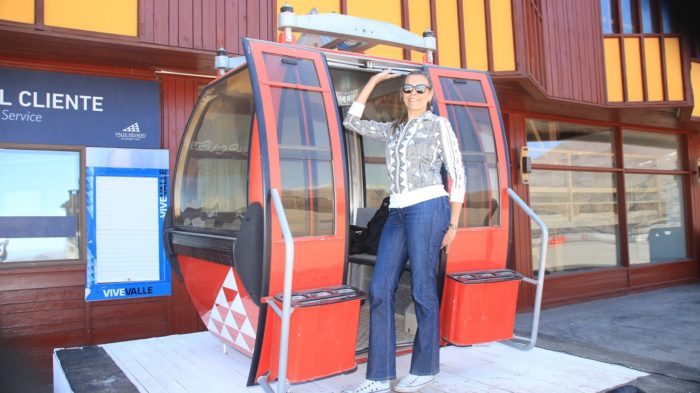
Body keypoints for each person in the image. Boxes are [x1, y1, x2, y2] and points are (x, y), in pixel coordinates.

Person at [343, 69, 466, 393]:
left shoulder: (439, 125)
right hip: (396, 211)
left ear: (430, 94)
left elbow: (458, 174)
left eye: (420, 89)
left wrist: (453, 224)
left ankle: (425, 368)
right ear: (402, 94)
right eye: (408, 89)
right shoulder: (395, 129)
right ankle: (379, 376)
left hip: (429, 208)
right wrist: (373, 82)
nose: (413, 93)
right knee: (380, 289)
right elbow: (352, 121)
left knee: (422, 288)